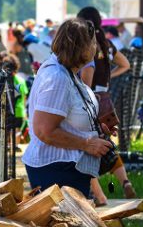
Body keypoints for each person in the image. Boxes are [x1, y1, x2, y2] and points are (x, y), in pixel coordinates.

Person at [22, 18, 113, 195]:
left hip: (68, 168)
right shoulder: (58, 78)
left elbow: (69, 118)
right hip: (56, 169)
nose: (96, 47)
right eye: (93, 42)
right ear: (82, 47)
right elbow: (44, 130)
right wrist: (87, 143)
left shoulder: (66, 72)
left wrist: (96, 130)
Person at [77, 6, 135, 205]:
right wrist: (110, 76)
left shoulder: (88, 45)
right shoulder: (107, 44)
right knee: (108, 146)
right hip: (106, 99)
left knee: (87, 147)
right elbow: (126, 64)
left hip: (91, 99)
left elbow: (86, 79)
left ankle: (99, 195)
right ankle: (125, 181)